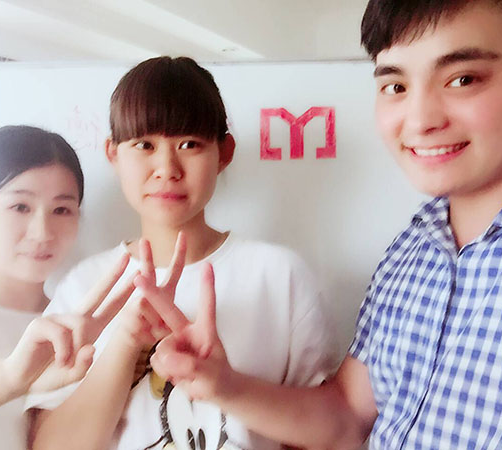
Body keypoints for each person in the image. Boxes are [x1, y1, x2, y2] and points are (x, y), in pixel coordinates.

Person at [148, 1, 502, 449]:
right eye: (396, 85)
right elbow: (349, 415)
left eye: (463, 79)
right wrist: (222, 385)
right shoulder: (416, 246)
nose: (420, 120)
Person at [26, 56, 336, 450]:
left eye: (189, 144)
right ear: (113, 154)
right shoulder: (85, 285)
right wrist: (126, 343)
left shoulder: (280, 275)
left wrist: (226, 385)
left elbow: (327, 434)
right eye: (144, 145)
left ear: (224, 152)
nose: (167, 168)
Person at [0, 126, 136, 449]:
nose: (42, 232)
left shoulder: (85, 329)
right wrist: (5, 380)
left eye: (61, 210)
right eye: (20, 207)